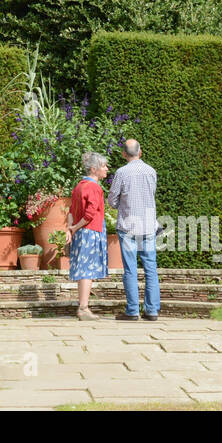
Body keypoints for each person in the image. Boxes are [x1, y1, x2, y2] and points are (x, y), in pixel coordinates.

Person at [107, 138, 160, 321]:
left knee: (130, 269)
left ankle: (132, 311)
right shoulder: (151, 171)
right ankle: (151, 310)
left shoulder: (121, 173)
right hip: (147, 225)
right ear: (141, 151)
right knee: (150, 268)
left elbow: (112, 201)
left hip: (128, 227)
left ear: (123, 154)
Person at [65, 152, 109, 320]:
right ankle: (83, 308)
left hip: (82, 232)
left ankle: (83, 306)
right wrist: (74, 227)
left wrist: (70, 229)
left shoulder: (79, 186)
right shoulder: (94, 187)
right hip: (90, 231)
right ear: (93, 169)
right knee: (87, 270)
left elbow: (71, 211)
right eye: (103, 166)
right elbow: (90, 214)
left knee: (84, 269)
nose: (106, 169)